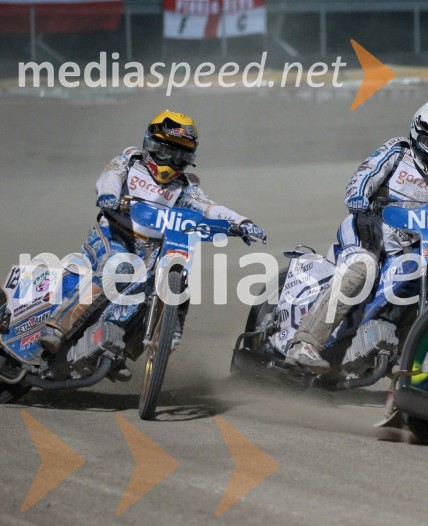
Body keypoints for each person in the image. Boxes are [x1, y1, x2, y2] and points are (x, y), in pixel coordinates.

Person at [287, 102, 428, 372]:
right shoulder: (396, 152)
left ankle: (415, 356)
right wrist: (358, 198)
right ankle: (305, 344)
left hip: (417, 244)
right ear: (416, 136)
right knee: (361, 269)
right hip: (369, 229)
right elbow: (363, 176)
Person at [38, 110, 267, 354]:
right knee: (119, 266)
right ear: (150, 143)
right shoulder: (130, 160)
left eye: (180, 154)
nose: (171, 159)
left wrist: (242, 222)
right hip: (113, 234)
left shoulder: (186, 186)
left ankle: (126, 346)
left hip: (154, 249)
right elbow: (110, 176)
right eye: (166, 150)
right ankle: (57, 327)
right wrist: (109, 195)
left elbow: (209, 207)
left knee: (169, 282)